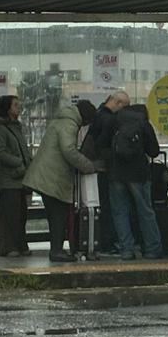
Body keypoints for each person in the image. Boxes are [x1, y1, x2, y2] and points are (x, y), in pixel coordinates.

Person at [23, 100, 100, 262]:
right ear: (85, 118)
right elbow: (68, 150)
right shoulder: (69, 123)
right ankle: (56, 251)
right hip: (52, 177)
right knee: (59, 215)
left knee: (55, 215)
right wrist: (89, 166)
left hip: (46, 176)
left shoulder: (62, 120)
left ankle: (56, 249)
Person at [103, 91, 165, 260]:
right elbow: (154, 151)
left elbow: (104, 146)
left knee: (120, 212)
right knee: (145, 211)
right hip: (139, 175)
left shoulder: (114, 121)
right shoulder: (143, 123)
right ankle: (153, 248)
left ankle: (126, 250)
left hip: (116, 175)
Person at [0, 95, 34, 257]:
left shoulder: (17, 127)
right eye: (16, 105)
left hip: (21, 177)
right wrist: (19, 162)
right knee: (9, 214)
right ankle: (8, 246)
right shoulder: (1, 129)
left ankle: (20, 244)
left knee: (21, 214)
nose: (19, 108)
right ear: (7, 108)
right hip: (10, 178)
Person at [89, 91, 129, 254]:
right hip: (105, 168)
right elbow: (102, 144)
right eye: (125, 107)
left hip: (96, 166)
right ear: (118, 103)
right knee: (109, 206)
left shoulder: (98, 114)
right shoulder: (110, 120)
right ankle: (108, 241)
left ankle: (104, 240)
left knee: (103, 205)